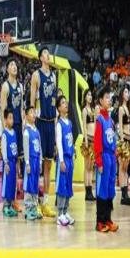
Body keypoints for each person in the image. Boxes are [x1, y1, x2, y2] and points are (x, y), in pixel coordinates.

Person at [29, 46, 57, 218]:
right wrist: (30, 121)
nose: (48, 55)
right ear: (40, 57)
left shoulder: (53, 76)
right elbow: (32, 100)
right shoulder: (36, 75)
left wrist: (55, 122)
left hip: (50, 122)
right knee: (36, 164)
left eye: (48, 53)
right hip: (39, 122)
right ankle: (33, 202)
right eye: (45, 53)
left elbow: (54, 100)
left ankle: (45, 202)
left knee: (48, 164)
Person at [0, 58, 24, 213]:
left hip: (18, 126)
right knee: (8, 164)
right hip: (9, 128)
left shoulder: (20, 86)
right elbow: (3, 109)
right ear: (7, 69)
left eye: (16, 65)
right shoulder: (5, 86)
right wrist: (4, 131)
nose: (14, 67)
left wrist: (23, 125)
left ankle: (14, 199)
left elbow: (21, 108)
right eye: (12, 65)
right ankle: (6, 200)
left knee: (17, 163)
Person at [94, 86, 119, 233]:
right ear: (100, 101)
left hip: (111, 158)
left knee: (110, 189)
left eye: (110, 97)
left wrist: (115, 155)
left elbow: (113, 140)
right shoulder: (100, 120)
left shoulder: (111, 121)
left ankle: (108, 219)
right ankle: (100, 221)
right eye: (106, 98)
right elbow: (97, 143)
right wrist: (99, 161)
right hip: (103, 157)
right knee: (102, 190)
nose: (109, 100)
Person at [55, 95, 75, 226]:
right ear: (58, 108)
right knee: (62, 186)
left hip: (70, 158)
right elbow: (59, 143)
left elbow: (70, 140)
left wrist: (73, 153)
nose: (65, 104)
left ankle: (66, 211)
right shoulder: (59, 124)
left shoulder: (70, 123)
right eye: (62, 103)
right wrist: (61, 160)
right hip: (63, 159)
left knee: (68, 185)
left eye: (65, 102)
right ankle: (60, 214)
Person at [23, 105, 43, 221]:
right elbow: (26, 148)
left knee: (35, 185)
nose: (33, 114)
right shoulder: (26, 131)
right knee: (29, 185)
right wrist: (27, 163)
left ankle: (35, 208)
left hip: (36, 161)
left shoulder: (37, 131)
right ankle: (28, 209)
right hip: (30, 161)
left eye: (34, 112)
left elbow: (40, 148)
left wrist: (40, 162)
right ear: (26, 116)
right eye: (31, 112)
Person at [117, 86, 130, 205]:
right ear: (122, 95)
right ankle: (123, 195)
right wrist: (122, 141)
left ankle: (126, 193)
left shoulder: (127, 109)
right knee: (122, 167)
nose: (128, 94)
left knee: (126, 168)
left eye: (128, 92)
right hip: (123, 141)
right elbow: (120, 126)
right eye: (126, 92)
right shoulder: (121, 109)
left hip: (128, 140)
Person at [1, 108, 18, 217]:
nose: (12, 120)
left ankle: (11, 205)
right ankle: (5, 206)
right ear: (5, 119)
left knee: (12, 184)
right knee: (7, 184)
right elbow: (3, 149)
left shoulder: (14, 132)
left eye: (12, 118)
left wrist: (17, 163)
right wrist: (6, 162)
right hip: (8, 163)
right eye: (10, 118)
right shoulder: (5, 134)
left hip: (14, 162)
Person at [81, 89, 96, 201]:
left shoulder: (93, 110)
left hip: (94, 139)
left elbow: (95, 124)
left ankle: (90, 189)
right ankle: (87, 191)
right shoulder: (84, 110)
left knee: (91, 167)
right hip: (88, 140)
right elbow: (84, 126)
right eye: (88, 95)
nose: (90, 97)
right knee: (87, 166)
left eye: (91, 95)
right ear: (85, 97)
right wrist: (86, 140)